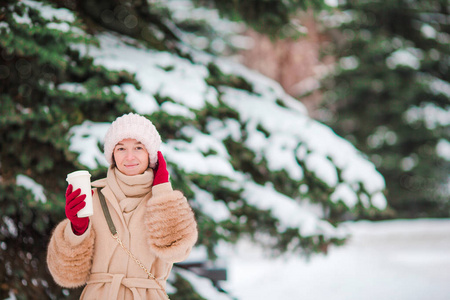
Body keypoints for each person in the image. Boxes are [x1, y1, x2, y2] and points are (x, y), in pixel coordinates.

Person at [47, 113, 198, 299]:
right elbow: (65, 274)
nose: (129, 156)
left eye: (138, 147)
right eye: (121, 148)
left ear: (150, 154)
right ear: (112, 154)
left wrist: (162, 190)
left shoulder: (165, 201)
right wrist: (77, 230)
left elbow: (178, 252)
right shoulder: (92, 197)